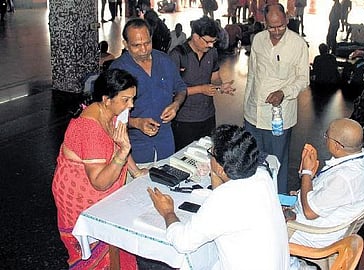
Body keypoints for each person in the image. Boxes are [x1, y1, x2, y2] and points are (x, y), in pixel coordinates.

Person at [147, 124, 290, 269]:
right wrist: (216, 170)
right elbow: (221, 193)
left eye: (211, 153)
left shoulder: (223, 200)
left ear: (222, 168)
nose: (210, 155)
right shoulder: (262, 175)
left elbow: (183, 243)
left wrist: (168, 212)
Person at [52, 69, 148, 269]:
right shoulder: (90, 130)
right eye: (126, 99)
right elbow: (99, 183)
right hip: (81, 196)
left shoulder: (112, 111)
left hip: (100, 185)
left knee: (116, 249)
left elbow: (118, 142)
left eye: (133, 98)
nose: (131, 105)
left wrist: (136, 172)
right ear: (107, 99)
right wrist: (123, 152)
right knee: (96, 257)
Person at [244, 3, 309, 194]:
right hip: (253, 113)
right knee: (254, 161)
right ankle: (257, 200)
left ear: (286, 20)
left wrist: (284, 92)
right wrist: (247, 106)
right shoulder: (258, 40)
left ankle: (277, 201)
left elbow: (303, 79)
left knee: (277, 162)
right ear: (264, 22)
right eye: (271, 27)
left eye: (280, 26)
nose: (276, 31)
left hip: (279, 117)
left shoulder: (298, 44)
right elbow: (252, 75)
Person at [285, 118, 364, 248]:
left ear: (337, 146)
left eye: (327, 136)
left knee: (258, 222)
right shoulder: (362, 157)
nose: (325, 138)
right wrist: (303, 191)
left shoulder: (345, 178)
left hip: (313, 233)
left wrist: (306, 172)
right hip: (322, 217)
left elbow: (310, 213)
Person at [110, 18, 187, 167]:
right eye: (136, 45)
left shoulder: (165, 61)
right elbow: (108, 114)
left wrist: (176, 105)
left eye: (147, 43)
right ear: (126, 44)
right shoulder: (118, 69)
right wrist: (136, 123)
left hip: (166, 144)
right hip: (134, 151)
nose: (144, 50)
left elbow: (181, 88)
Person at [169, 16, 235, 151]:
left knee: (206, 155)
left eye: (214, 41)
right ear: (195, 36)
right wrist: (201, 89)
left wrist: (220, 86)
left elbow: (215, 77)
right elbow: (172, 90)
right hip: (184, 119)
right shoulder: (178, 55)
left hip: (208, 116)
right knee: (185, 156)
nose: (211, 45)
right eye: (208, 41)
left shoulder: (212, 53)